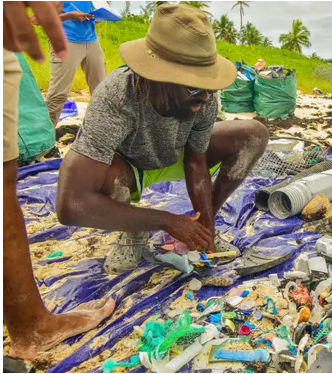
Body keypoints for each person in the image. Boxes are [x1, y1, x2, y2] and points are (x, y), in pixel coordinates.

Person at [56, 4, 268, 274]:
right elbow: (70, 204)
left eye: (209, 86)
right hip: (130, 167)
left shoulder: (203, 97)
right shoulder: (116, 97)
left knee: (253, 134)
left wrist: (205, 230)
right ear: (155, 77)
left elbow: (196, 162)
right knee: (106, 173)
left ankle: (200, 228)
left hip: (175, 154)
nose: (204, 98)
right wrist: (165, 221)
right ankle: (132, 232)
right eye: (193, 86)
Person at [3, 1, 114, 360]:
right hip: (58, 39)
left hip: (87, 39)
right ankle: (32, 328)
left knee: (103, 92)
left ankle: (29, 325)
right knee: (57, 95)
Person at [44, 1, 106, 126]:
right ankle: (45, 139)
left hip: (92, 41)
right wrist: (70, 16)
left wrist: (98, 17)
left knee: (102, 92)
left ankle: (98, 133)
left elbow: (92, 13)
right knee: (58, 95)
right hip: (66, 41)